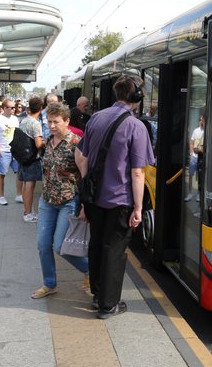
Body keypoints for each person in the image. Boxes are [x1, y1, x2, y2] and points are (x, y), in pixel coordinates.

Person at [75, 76, 154, 319]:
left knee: (97, 245)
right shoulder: (136, 127)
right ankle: (108, 305)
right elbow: (138, 172)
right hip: (120, 199)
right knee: (114, 249)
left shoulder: (97, 118)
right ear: (137, 97)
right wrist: (139, 207)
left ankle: (98, 295)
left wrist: (87, 188)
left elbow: (82, 156)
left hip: (94, 197)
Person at [32, 103, 90, 298]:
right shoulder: (48, 141)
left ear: (67, 121)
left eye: (56, 122)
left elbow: (85, 176)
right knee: (42, 245)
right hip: (47, 201)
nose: (52, 125)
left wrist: (84, 205)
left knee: (60, 247)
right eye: (49, 121)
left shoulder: (77, 143)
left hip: (68, 201)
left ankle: (91, 270)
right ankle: (49, 283)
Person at [18, 96, 45, 222]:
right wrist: (45, 142)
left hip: (23, 156)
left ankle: (27, 210)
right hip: (32, 158)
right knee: (30, 185)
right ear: (41, 108)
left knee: (25, 184)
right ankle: (28, 213)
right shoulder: (36, 124)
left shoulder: (24, 120)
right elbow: (38, 144)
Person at [0, 98, 20, 205]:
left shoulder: (15, 119)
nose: (13, 109)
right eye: (11, 107)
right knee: (2, 174)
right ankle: (1, 196)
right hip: (3, 150)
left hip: (15, 151)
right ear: (4, 108)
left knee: (19, 173)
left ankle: (19, 195)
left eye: (14, 107)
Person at [186, 114, 205, 201]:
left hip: (201, 157)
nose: (201, 122)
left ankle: (199, 194)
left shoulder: (207, 131)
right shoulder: (195, 131)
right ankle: (190, 193)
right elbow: (191, 142)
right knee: (191, 174)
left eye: (202, 120)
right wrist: (190, 153)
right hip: (194, 156)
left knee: (200, 176)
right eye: (200, 120)